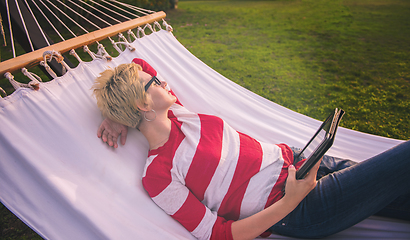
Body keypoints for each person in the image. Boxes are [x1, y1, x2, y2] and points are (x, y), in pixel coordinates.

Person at [92, 58, 410, 240]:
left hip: (304, 159)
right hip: (300, 206)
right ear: (143, 103)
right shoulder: (158, 175)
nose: (163, 82)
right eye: (155, 82)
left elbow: (138, 64)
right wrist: (293, 200)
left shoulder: (178, 116)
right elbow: (217, 235)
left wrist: (113, 112)